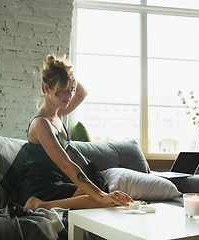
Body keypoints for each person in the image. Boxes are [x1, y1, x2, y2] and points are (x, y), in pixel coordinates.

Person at [15, 54, 133, 211]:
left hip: (56, 184)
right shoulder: (41, 123)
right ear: (46, 88)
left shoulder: (59, 114)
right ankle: (38, 204)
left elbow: (82, 93)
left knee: (102, 198)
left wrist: (68, 74)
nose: (70, 95)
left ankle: (44, 205)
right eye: (64, 90)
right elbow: (66, 165)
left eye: (71, 89)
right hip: (37, 188)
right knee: (101, 201)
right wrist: (102, 197)